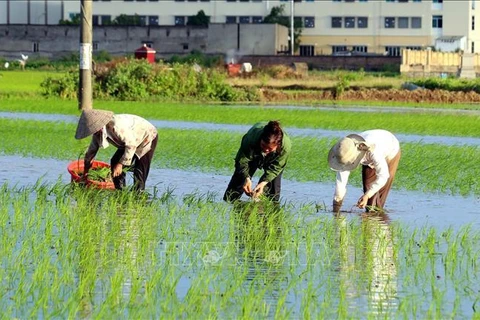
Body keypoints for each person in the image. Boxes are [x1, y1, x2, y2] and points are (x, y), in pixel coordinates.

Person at [74, 108, 158, 191]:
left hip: (147, 137)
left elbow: (131, 145)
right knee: (114, 162)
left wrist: (120, 164)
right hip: (130, 141)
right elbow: (91, 153)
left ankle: (139, 193)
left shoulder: (117, 127)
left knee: (139, 170)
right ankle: (120, 191)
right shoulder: (97, 134)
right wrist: (85, 174)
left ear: (99, 126)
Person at [327, 129, 401, 212]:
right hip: (369, 155)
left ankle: (377, 217)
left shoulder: (374, 152)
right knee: (368, 187)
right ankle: (371, 217)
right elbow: (340, 182)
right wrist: (336, 206)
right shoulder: (345, 151)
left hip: (391, 150)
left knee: (379, 193)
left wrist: (367, 195)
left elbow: (384, 176)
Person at [223, 121, 291, 203]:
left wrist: (263, 183)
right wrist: (246, 179)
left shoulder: (285, 147)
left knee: (272, 192)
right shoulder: (252, 137)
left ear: (277, 145)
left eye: (269, 149)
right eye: (263, 145)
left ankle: (270, 209)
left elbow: (276, 168)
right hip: (253, 152)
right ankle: (230, 202)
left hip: (274, 159)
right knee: (238, 180)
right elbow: (242, 161)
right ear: (261, 139)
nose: (265, 150)